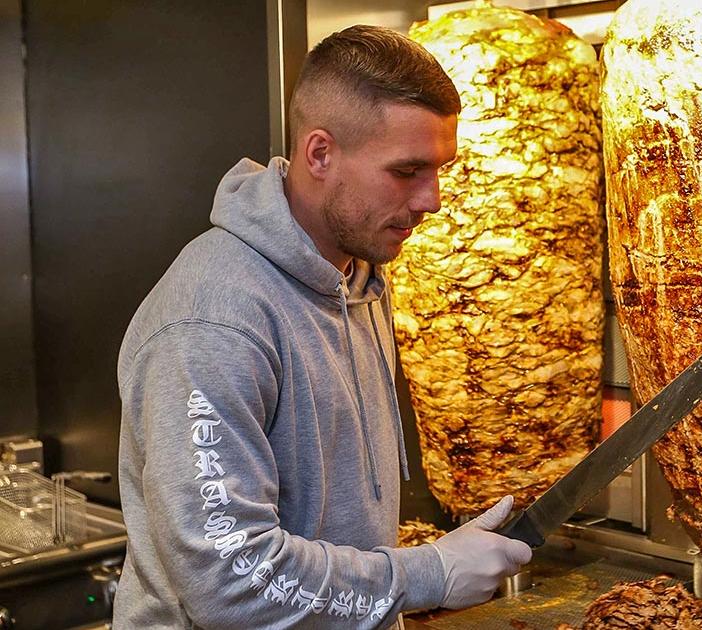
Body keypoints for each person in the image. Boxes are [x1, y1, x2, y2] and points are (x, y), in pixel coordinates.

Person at [113, 25, 532, 629]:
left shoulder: (357, 278)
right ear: (319, 153)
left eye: (440, 169)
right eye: (407, 170)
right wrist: (427, 573)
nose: (432, 200)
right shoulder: (212, 322)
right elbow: (232, 582)